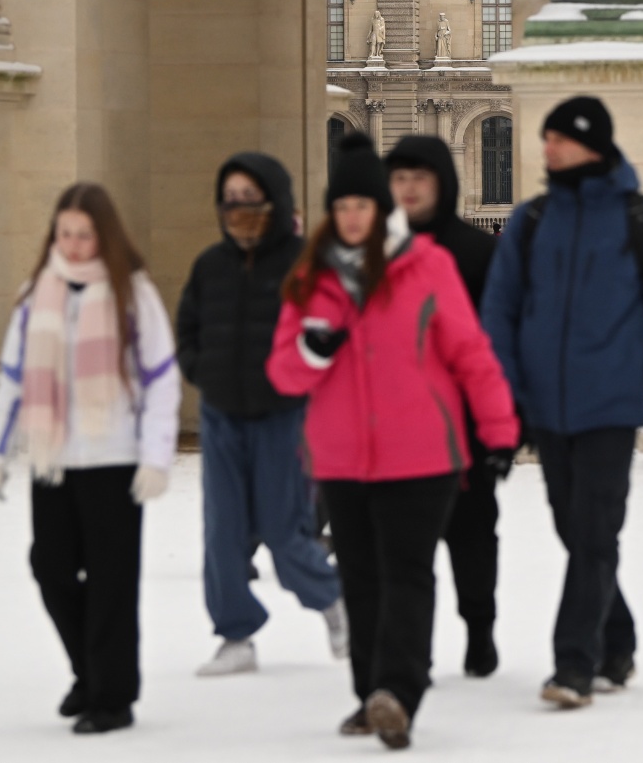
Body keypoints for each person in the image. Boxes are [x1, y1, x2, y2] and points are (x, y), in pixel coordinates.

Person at [267, 133, 519, 750]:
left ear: (383, 211)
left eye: (365, 205)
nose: (353, 216)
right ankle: (368, 694)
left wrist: (499, 429)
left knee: (407, 573)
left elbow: (471, 353)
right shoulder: (312, 275)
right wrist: (310, 351)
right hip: (344, 457)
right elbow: (281, 370)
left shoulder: (426, 266)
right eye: (343, 205)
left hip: (423, 452)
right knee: (361, 578)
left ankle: (399, 692)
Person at [481, 96, 643, 709]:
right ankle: (620, 638)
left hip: (609, 406)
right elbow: (497, 319)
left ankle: (573, 664)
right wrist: (501, 405)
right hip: (544, 407)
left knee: (594, 530)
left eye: (560, 138)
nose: (547, 148)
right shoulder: (528, 221)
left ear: (593, 145)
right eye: (546, 137)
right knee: (578, 530)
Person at [0, 183, 181, 735]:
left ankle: (111, 697)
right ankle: (89, 671)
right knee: (51, 568)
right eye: (65, 233)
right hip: (55, 459)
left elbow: (160, 380)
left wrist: (156, 458)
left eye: (84, 234)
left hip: (116, 458)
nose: (72, 244)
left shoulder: (131, 295)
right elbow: (13, 378)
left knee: (113, 582)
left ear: (104, 235)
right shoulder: (35, 294)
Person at [177, 153, 346, 678]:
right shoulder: (210, 265)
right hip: (223, 414)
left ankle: (336, 603)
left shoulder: (304, 264)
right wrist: (201, 370)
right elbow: (187, 329)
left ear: (274, 202)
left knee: (285, 530)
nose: (240, 210)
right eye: (231, 200)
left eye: (250, 199)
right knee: (222, 532)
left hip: (283, 415)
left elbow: (326, 333)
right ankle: (235, 633)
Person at [385, 133, 505, 679]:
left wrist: (503, 425)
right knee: (402, 551)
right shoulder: (369, 253)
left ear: (443, 183)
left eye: (420, 178)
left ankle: (479, 627)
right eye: (400, 178)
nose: (409, 189)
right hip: (391, 429)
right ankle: (411, 651)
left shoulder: (477, 252)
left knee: (471, 537)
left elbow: (498, 345)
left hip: (462, 429)